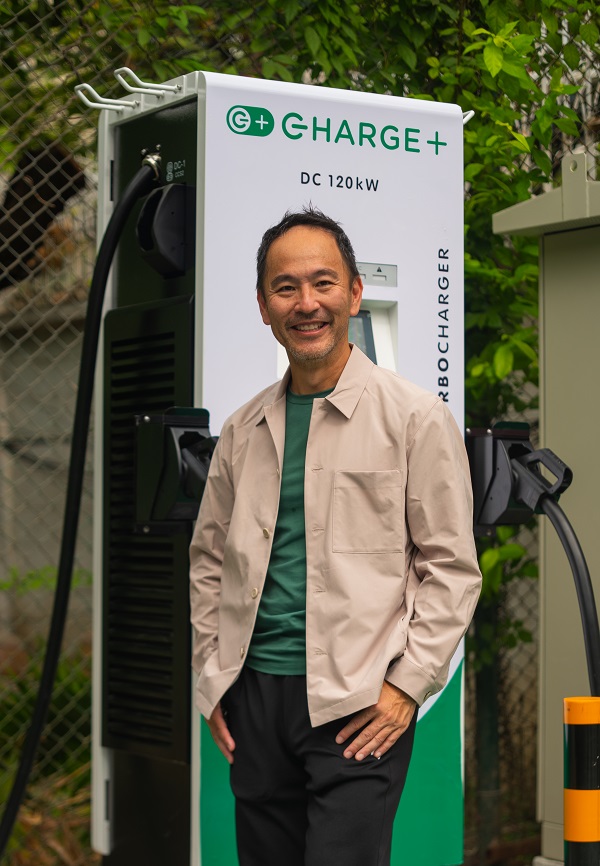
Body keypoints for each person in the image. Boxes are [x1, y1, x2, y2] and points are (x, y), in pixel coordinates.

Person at [189, 207, 482, 866]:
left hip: (357, 700)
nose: (306, 303)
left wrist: (406, 687)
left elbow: (451, 569)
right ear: (263, 306)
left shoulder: (415, 419)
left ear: (354, 293)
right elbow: (209, 560)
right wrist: (214, 678)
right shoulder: (242, 430)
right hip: (255, 697)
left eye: (323, 283)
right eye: (285, 287)